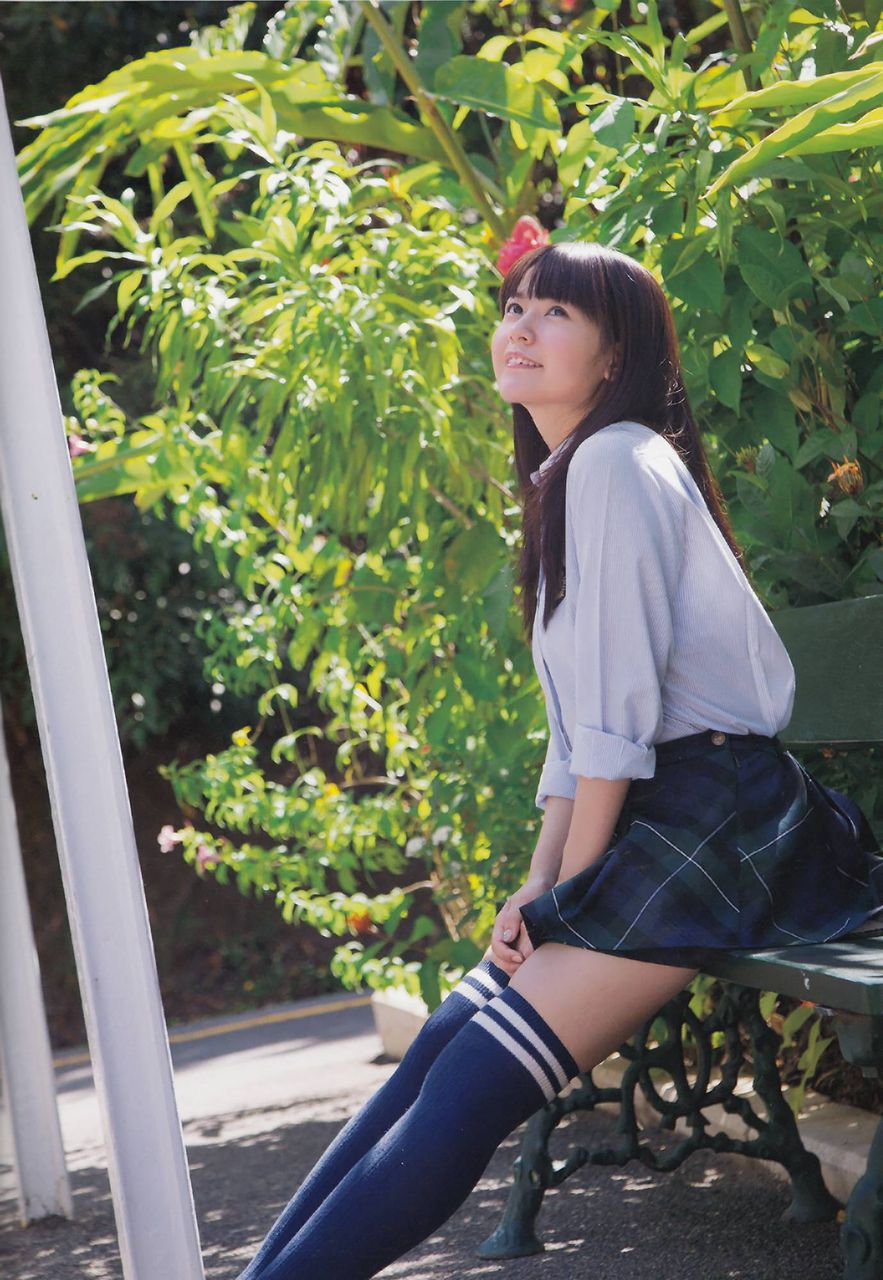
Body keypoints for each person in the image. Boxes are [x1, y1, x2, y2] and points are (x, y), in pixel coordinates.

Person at [237, 241, 883, 1280]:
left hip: (717, 820)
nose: (521, 329)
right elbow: (575, 728)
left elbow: (619, 719)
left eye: (555, 314)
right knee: (437, 1052)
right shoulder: (571, 474)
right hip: (660, 813)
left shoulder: (616, 462)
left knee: (466, 1090)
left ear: (614, 353)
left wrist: (567, 894)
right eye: (513, 309)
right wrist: (539, 883)